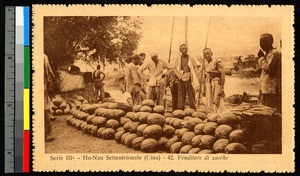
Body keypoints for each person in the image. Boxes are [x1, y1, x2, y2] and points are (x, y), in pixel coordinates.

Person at [257, 33, 281, 112]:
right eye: (260, 42)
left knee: (271, 111)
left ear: (270, 42)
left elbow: (270, 68)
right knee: (264, 110)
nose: (261, 44)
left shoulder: (275, 53)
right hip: (265, 89)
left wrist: (261, 58)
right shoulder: (267, 54)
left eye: (264, 42)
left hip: (271, 89)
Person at [173, 44, 200, 110]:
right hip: (181, 78)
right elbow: (174, 69)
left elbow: (198, 66)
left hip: (189, 78)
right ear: (180, 50)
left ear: (187, 49)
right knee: (181, 94)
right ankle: (180, 109)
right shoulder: (178, 59)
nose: (184, 50)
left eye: (185, 49)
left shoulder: (191, 58)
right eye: (183, 49)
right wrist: (179, 75)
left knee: (191, 93)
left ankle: (193, 108)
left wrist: (193, 74)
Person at [202, 48, 226, 112]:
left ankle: (220, 114)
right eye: (205, 54)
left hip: (216, 83)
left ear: (211, 54)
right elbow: (205, 78)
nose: (207, 56)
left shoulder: (216, 62)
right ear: (203, 56)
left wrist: (222, 87)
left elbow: (222, 73)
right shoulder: (205, 65)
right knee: (209, 103)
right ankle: (212, 114)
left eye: (208, 54)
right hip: (208, 84)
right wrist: (203, 89)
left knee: (217, 101)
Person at [44, 54, 55, 142]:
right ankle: (47, 133)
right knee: (44, 109)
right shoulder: (44, 57)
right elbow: (50, 74)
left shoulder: (43, 57)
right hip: (42, 87)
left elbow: (49, 73)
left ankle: (47, 133)